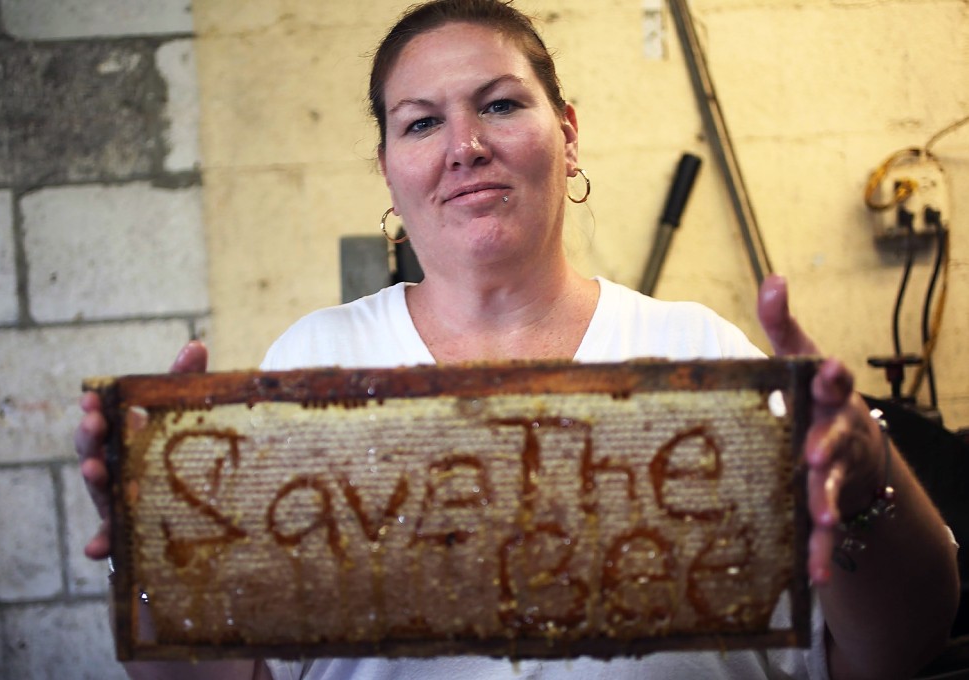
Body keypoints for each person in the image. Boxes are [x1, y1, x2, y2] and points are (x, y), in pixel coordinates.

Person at [76, 1, 959, 678]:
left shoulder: (703, 354)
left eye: (499, 105)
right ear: (388, 166)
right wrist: (157, 563)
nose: (464, 146)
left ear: (567, 135)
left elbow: (891, 653)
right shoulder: (309, 369)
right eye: (421, 122)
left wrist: (869, 468)